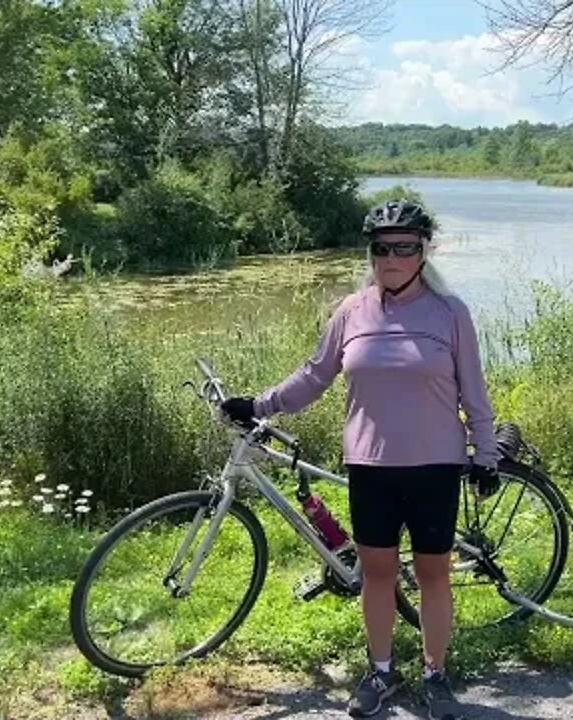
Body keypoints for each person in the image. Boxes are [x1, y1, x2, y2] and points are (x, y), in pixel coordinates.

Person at [219, 199, 500, 720]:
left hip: (435, 467)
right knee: (377, 573)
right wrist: (258, 404)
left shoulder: (450, 312)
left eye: (404, 247)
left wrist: (484, 454)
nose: (390, 258)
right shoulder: (352, 311)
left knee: (434, 574)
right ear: (369, 253)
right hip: (370, 467)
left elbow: (475, 395)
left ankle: (436, 676)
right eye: (380, 248)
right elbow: (313, 375)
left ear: (422, 251)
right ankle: (382, 671)